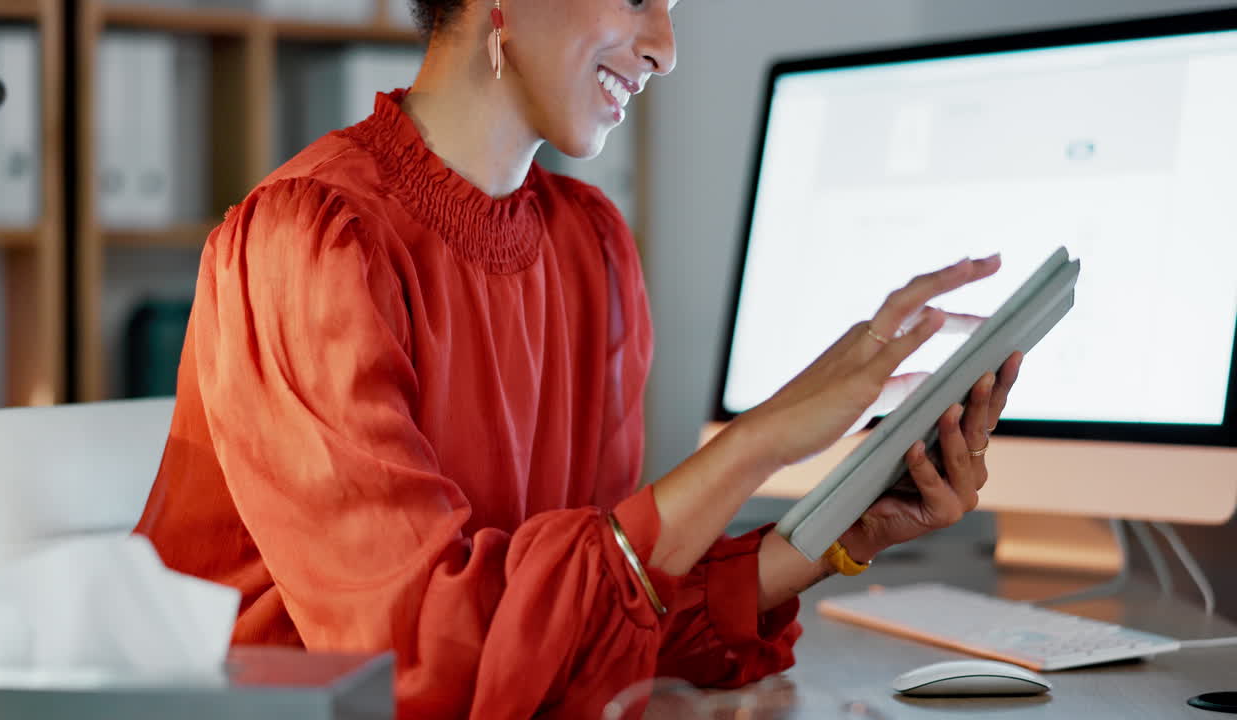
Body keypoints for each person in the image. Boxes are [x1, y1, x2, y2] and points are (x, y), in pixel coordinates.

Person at [134, 0, 1024, 717]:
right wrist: (761, 440)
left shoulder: (591, 249)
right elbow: (420, 663)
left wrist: (846, 529)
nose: (668, 48)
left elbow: (594, 623)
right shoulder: (311, 244)